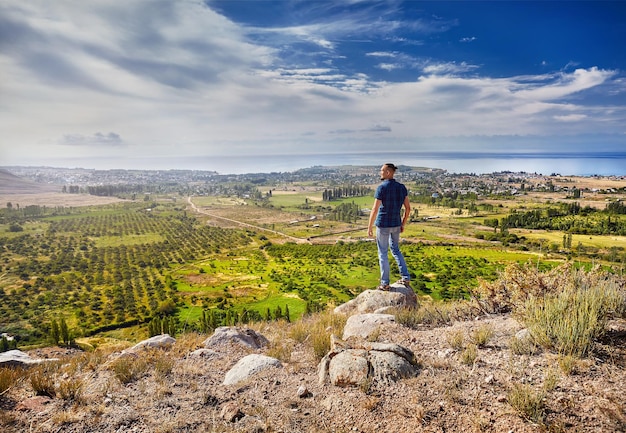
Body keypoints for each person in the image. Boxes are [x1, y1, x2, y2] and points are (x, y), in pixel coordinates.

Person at [367, 163, 411, 290]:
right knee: (396, 250)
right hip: (396, 223)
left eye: (382, 170)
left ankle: (385, 283)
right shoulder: (402, 188)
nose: (380, 172)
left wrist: (369, 226)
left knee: (382, 253)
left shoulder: (382, 188)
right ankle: (406, 277)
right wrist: (402, 223)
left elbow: (375, 209)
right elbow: (408, 209)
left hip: (383, 224)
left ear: (388, 172)